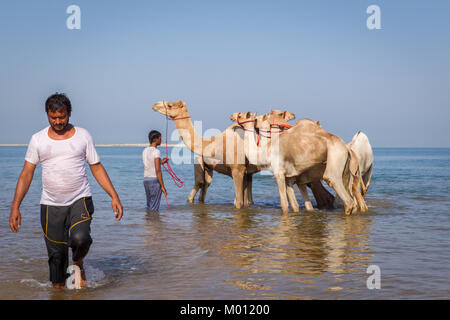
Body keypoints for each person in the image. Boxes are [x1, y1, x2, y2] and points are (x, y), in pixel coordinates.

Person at [9, 93, 123, 289]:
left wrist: (114, 196)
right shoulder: (37, 139)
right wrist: (15, 206)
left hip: (80, 198)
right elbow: (27, 173)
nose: (58, 121)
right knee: (56, 261)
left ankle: (78, 263)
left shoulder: (83, 135)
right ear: (47, 114)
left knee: (81, 239)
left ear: (69, 114)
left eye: (61, 117)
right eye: (53, 117)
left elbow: (96, 166)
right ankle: (59, 291)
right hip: (50, 204)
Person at [143, 130, 168, 211]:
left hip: (146, 180)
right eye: (160, 138)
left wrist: (161, 162)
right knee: (154, 207)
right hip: (154, 181)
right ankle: (154, 223)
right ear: (155, 139)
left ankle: (149, 222)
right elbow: (158, 171)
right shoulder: (157, 151)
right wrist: (163, 186)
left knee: (149, 205)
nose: (161, 140)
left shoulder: (144, 150)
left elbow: (151, 164)